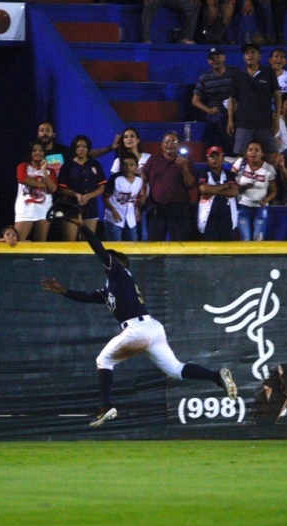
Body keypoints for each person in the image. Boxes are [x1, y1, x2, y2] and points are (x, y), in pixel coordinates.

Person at [40, 201, 237, 428]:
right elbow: (87, 297)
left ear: (121, 263)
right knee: (175, 370)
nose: (108, 262)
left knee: (103, 360)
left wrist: (83, 227)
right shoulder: (111, 288)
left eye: (113, 259)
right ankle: (216, 377)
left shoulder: (120, 272)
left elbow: (100, 251)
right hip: (151, 329)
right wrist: (62, 290)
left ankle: (107, 406)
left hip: (138, 329)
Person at [228, 43, 279, 162]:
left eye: (253, 52)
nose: (250, 55)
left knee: (271, 156)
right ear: (244, 57)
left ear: (259, 56)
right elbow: (232, 98)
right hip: (244, 122)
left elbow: (277, 95)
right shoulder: (238, 74)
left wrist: (276, 118)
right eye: (247, 53)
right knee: (241, 157)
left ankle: (268, 179)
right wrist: (230, 119)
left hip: (265, 122)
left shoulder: (268, 72)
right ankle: (244, 180)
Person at [142, 131, 196, 241]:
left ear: (179, 145)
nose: (169, 144)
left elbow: (191, 184)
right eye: (166, 141)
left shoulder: (186, 161)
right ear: (162, 145)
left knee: (180, 245)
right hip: (156, 209)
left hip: (178, 210)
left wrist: (184, 167)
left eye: (173, 141)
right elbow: (143, 177)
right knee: (154, 245)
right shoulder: (154, 159)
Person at [58, 135, 106, 241]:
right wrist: (76, 194)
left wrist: (89, 196)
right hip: (71, 206)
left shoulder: (95, 164)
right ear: (74, 148)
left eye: (84, 146)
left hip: (90, 207)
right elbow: (61, 188)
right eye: (78, 146)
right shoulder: (67, 165)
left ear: (88, 149)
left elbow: (101, 187)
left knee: (88, 242)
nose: (81, 149)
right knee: (70, 242)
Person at [191, 47, 238, 156]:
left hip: (235, 111)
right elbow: (195, 100)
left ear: (224, 57)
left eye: (217, 57)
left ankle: (233, 155)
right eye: (212, 58)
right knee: (216, 125)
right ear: (208, 61)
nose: (215, 60)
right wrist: (209, 110)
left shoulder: (234, 72)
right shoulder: (205, 77)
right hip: (216, 113)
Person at [232, 140, 277, 241]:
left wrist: (266, 200)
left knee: (258, 240)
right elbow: (229, 182)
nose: (253, 152)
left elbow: (274, 191)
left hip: (260, 209)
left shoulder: (268, 169)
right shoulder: (240, 164)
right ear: (246, 153)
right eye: (250, 150)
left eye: (257, 150)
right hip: (242, 206)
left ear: (262, 154)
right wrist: (243, 187)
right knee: (246, 240)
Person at [14, 139, 57, 242]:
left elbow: (53, 189)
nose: (38, 152)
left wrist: (44, 172)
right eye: (34, 150)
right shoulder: (23, 166)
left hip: (44, 209)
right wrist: (42, 185)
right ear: (30, 153)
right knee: (17, 241)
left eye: (41, 150)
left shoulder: (50, 171)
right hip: (25, 208)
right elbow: (23, 179)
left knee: (40, 244)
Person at [196, 145, 237, 241]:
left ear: (222, 158)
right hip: (209, 218)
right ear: (207, 158)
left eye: (217, 156)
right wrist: (225, 186)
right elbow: (204, 190)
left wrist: (213, 191)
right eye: (212, 157)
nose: (215, 159)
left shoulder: (229, 174)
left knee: (227, 250)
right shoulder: (203, 173)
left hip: (227, 217)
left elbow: (234, 192)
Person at [102, 155, 145, 242]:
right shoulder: (115, 178)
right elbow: (105, 198)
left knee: (132, 245)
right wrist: (114, 212)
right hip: (114, 218)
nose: (128, 168)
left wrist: (137, 210)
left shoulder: (139, 179)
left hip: (131, 219)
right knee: (115, 245)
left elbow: (137, 198)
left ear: (136, 166)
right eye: (125, 165)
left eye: (131, 165)